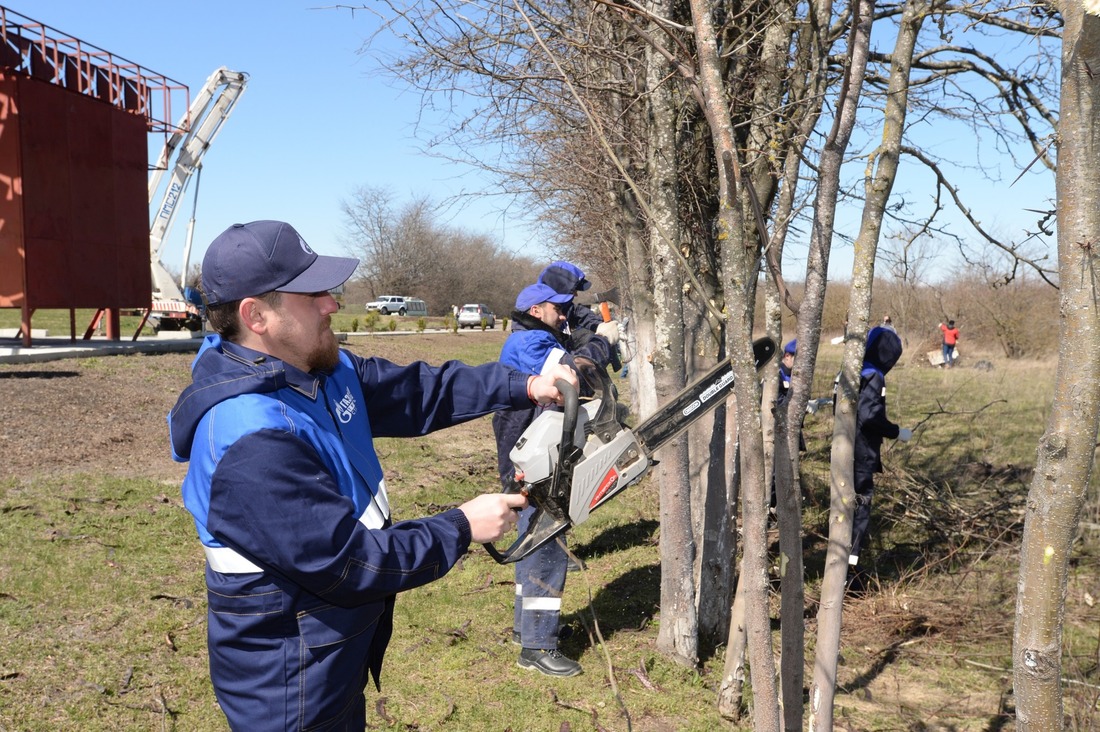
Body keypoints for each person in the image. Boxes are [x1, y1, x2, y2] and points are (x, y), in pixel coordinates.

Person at [167, 220, 577, 730]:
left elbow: (419, 392)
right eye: (312, 294)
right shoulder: (248, 440)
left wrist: (527, 383)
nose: (332, 304)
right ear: (256, 316)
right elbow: (346, 564)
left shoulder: (320, 371)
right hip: (290, 685)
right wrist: (462, 526)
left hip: (331, 653)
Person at [493, 281, 617, 677]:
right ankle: (536, 647)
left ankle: (525, 629)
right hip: (533, 460)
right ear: (535, 310)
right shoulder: (530, 343)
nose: (564, 315)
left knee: (532, 538)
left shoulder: (532, 338)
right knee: (547, 543)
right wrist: (602, 342)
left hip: (532, 456)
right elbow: (576, 375)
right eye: (557, 309)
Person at [846, 326, 913, 591]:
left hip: (845, 451)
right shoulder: (873, 376)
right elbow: (870, 416)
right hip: (861, 453)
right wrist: (897, 432)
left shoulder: (852, 370)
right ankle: (850, 573)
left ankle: (844, 567)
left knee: (846, 508)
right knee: (859, 510)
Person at [538, 260, 621, 369]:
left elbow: (582, 314)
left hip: (571, 369)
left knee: (586, 334)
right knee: (586, 336)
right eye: (573, 290)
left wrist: (600, 325)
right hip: (556, 374)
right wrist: (602, 338)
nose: (576, 294)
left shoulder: (567, 308)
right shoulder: (535, 325)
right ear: (560, 288)